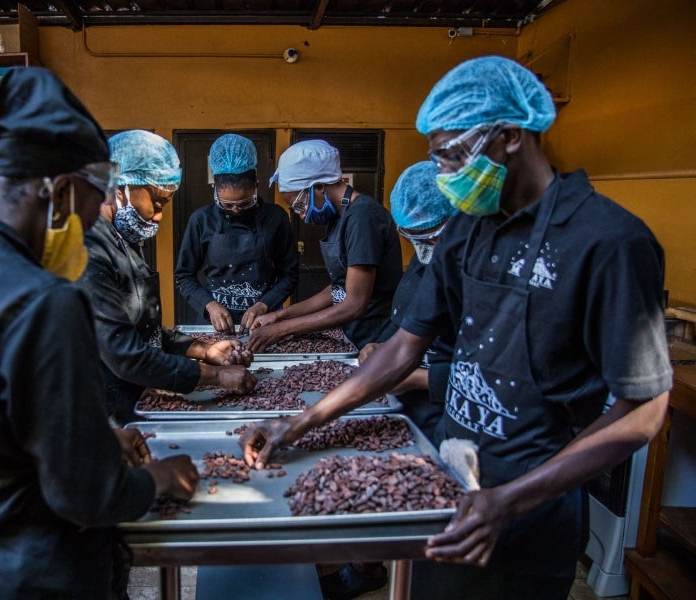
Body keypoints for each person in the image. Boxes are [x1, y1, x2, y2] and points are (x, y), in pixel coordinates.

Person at [240, 56, 672, 600]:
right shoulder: (468, 230)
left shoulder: (607, 242)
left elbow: (644, 408)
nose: (445, 175)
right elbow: (402, 349)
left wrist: (510, 499)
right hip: (448, 480)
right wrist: (297, 425)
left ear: (511, 136)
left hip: (533, 505)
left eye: (451, 156)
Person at [0, 68, 199, 599]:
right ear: (58, 192)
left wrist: (95, 436)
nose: (81, 233)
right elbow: (86, 495)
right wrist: (160, 478)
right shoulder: (45, 301)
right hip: (36, 571)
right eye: (82, 215)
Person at [319, 161, 458, 600]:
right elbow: (406, 329)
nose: (421, 247)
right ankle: (366, 565)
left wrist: (413, 378)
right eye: (411, 239)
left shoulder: (473, 275)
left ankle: (404, 577)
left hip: (446, 413)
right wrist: (379, 351)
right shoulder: (423, 267)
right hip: (410, 402)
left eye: (430, 237)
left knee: (434, 534)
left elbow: (490, 377)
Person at [79, 129, 256, 426]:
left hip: (134, 394)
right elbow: (123, 352)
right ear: (121, 186)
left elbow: (144, 330)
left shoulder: (121, 239)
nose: (159, 216)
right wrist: (215, 376)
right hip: (104, 407)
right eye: (158, 203)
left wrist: (204, 350)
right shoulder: (88, 247)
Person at [246, 140, 402, 353]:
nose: (301, 215)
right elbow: (339, 289)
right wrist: (279, 316)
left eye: (300, 205)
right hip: (354, 334)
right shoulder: (338, 218)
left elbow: (355, 303)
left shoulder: (362, 216)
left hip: (377, 337)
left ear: (319, 186)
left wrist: (282, 329)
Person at [174, 133, 298, 332]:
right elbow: (184, 276)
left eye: (244, 203)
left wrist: (265, 304)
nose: (236, 210)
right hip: (214, 325)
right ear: (214, 188)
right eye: (227, 204)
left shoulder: (275, 218)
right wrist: (210, 305)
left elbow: (289, 275)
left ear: (257, 185)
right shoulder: (201, 219)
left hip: (264, 324)